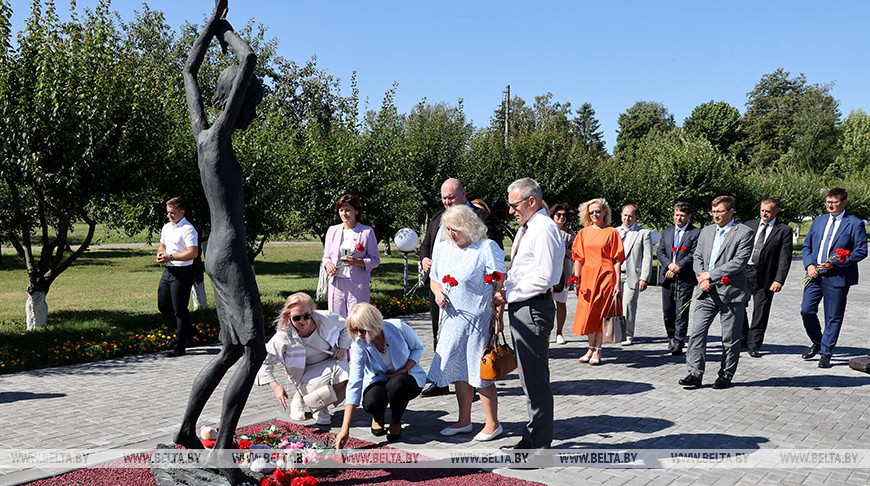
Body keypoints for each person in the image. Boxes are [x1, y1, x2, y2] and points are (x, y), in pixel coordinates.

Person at [173, 3, 268, 484]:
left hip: (215, 249)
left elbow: (189, 70)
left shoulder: (200, 135)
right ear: (238, 97)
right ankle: (224, 449)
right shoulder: (218, 139)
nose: (251, 111)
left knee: (231, 351)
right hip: (229, 253)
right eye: (250, 102)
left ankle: (188, 430)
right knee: (256, 351)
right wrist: (227, 31)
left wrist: (209, 29)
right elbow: (248, 59)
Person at [493, 178, 564, 452]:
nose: (511, 211)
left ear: (531, 201)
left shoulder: (543, 229)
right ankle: (532, 438)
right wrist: (504, 288)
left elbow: (546, 277)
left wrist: (508, 294)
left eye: (514, 205)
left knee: (535, 381)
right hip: (525, 306)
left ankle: (539, 445)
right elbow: (525, 271)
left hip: (533, 308)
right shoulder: (532, 227)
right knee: (529, 379)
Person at [427, 205, 507, 441]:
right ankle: (464, 420)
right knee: (459, 370)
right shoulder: (442, 248)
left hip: (478, 319)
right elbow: (434, 279)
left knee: (479, 371)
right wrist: (438, 293)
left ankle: (493, 424)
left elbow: (499, 283)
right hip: (452, 319)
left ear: (469, 226)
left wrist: (499, 316)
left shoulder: (486, 248)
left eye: (456, 229)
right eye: (448, 228)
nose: (451, 233)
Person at [419, 178, 501, 397]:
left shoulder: (482, 217)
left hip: (474, 300)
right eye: (444, 198)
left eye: (451, 197)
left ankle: (473, 385)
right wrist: (425, 258)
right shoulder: (438, 216)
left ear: (464, 193)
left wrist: (495, 298)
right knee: (442, 334)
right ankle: (443, 380)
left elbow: (495, 261)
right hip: (441, 288)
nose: (447, 202)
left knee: (473, 352)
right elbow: (426, 245)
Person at [679, 196, 753, 390]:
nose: (715, 216)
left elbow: (739, 262)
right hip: (706, 292)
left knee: (729, 339)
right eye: (713, 212)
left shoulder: (744, 233)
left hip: (731, 293)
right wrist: (701, 278)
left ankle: (725, 375)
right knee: (696, 333)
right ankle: (694, 373)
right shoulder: (706, 231)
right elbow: (697, 256)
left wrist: (709, 275)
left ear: (731, 212)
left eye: (719, 212)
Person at [336, 303, 426, 446]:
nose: (358, 334)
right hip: (378, 378)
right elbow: (354, 383)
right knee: (371, 402)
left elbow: (418, 348)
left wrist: (405, 369)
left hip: (407, 376)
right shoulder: (359, 344)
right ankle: (378, 415)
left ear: (374, 324)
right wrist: (344, 429)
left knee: (398, 385)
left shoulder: (398, 327)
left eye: (362, 330)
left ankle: (395, 420)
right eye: (354, 330)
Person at [256, 293, 350, 426]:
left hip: (328, 362)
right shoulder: (283, 335)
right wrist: (276, 387)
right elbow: (263, 361)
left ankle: (321, 406)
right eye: (296, 318)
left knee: (344, 371)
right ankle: (300, 398)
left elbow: (346, 326)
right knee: (316, 385)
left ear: (312, 312)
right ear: (288, 317)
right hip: (304, 374)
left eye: (307, 316)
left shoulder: (324, 318)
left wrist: (342, 347)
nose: (302, 321)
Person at [800, 187, 868, 368]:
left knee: (833, 316)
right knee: (806, 310)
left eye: (834, 202)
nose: (829, 205)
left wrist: (836, 263)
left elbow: (861, 251)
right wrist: (809, 265)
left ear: (843, 202)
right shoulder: (819, 221)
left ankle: (826, 353)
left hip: (837, 276)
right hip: (814, 275)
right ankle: (818, 341)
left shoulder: (854, 223)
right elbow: (806, 246)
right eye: (828, 202)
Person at [571, 198, 625, 365]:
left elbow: (617, 259)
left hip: (605, 277)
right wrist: (576, 279)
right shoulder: (583, 233)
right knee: (588, 313)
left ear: (604, 213)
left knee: (601, 314)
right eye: (592, 211)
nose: (595, 214)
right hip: (587, 277)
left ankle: (598, 350)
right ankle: (590, 347)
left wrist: (616, 283)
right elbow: (578, 258)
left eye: (598, 211)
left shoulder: (611, 232)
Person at [742, 198, 793, 358]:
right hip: (745, 272)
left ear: (776, 211)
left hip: (765, 275)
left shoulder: (783, 230)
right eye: (762, 210)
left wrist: (779, 280)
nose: (764, 213)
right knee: (738, 305)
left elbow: (785, 258)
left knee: (761, 310)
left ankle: (754, 344)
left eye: (768, 211)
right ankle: (743, 338)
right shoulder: (749, 225)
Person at [321, 194, 380, 318]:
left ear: (356, 211)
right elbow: (326, 257)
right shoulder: (332, 230)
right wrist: (328, 265)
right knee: (336, 320)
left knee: (358, 320)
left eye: (348, 210)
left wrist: (358, 262)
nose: (344, 214)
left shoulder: (366, 232)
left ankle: (359, 339)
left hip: (358, 284)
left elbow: (375, 260)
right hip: (336, 283)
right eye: (341, 210)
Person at [156, 197, 199, 357]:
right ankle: (188, 330)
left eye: (173, 213)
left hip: (183, 272)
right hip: (168, 271)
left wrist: (171, 257)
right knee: (163, 306)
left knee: (180, 310)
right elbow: (163, 245)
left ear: (182, 212)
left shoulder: (188, 229)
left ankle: (180, 346)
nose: (170, 216)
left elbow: (193, 252)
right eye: (168, 213)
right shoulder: (167, 227)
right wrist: (161, 254)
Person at [656, 202, 700, 356]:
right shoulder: (667, 232)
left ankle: (679, 341)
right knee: (668, 310)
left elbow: (694, 253)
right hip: (667, 276)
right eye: (676, 215)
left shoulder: (695, 232)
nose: (679, 218)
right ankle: (670, 336)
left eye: (682, 215)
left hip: (685, 277)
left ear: (688, 216)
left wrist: (678, 266)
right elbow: (661, 251)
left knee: (681, 310)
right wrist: (669, 265)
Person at [617, 204, 652, 346]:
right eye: (625, 215)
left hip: (632, 275)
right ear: (621, 215)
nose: (627, 218)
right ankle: (616, 332)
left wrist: (644, 278)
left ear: (636, 217)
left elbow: (647, 257)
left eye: (630, 216)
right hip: (616, 274)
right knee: (616, 305)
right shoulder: (614, 231)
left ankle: (628, 334)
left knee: (629, 305)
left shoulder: (643, 233)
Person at [549, 203, 576, 344]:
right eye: (558, 215)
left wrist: (562, 248)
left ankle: (559, 333)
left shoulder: (570, 234)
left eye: (564, 215)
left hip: (563, 274)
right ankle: (546, 333)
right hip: (548, 273)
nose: (561, 217)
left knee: (561, 303)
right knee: (547, 303)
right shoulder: (547, 230)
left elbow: (575, 255)